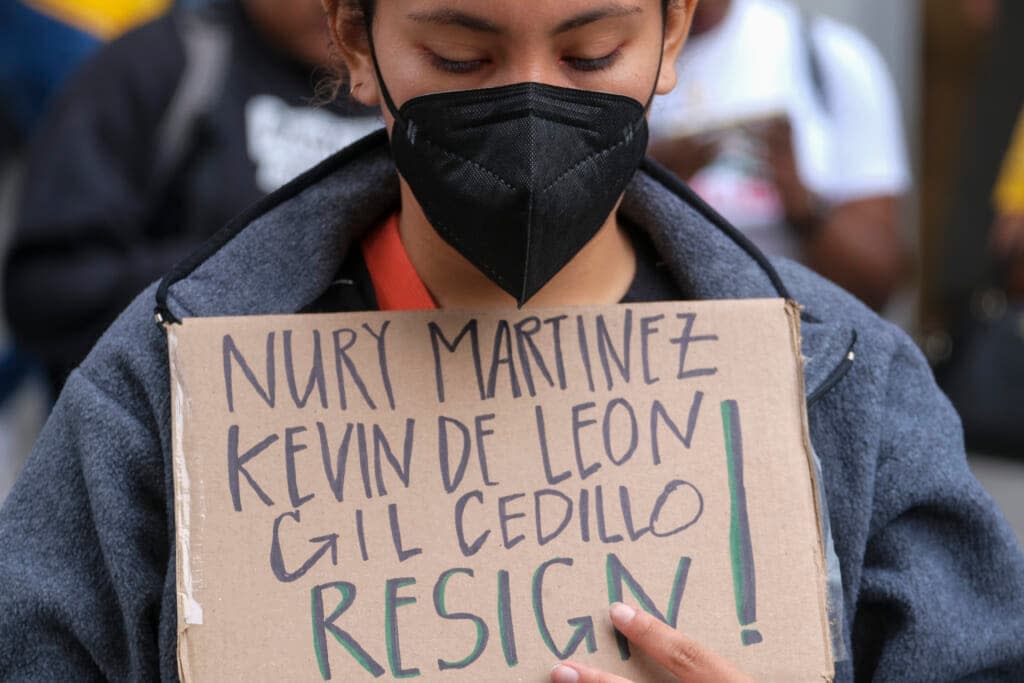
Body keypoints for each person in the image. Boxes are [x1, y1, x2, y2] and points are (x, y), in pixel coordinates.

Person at [1, 0, 1023, 681]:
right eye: (461, 55)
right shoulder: (160, 390)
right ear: (356, 45)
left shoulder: (844, 385)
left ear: (673, 35)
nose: (532, 106)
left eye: (590, 53)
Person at [3, 0, 381, 395]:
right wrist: (238, 277)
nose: (338, 8)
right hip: (176, 421)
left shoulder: (414, 87)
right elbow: (46, 289)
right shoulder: (159, 66)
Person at [648, 0, 911, 311]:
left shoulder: (825, 53)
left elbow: (879, 279)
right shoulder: (603, 57)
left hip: (799, 341)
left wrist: (803, 206)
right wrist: (645, 185)